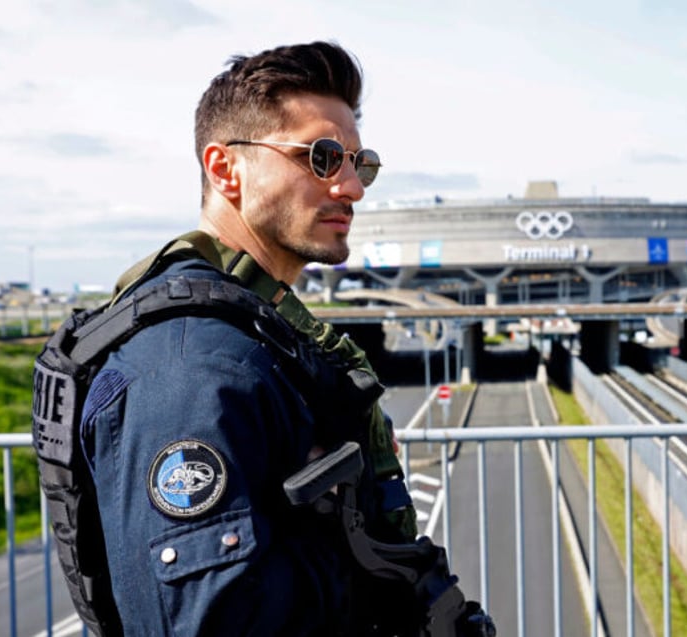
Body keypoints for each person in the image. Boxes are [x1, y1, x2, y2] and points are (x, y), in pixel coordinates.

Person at [79, 41, 487, 636]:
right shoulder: (193, 367)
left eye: (359, 162)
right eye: (321, 157)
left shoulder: (258, 336)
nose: (352, 187)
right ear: (226, 170)